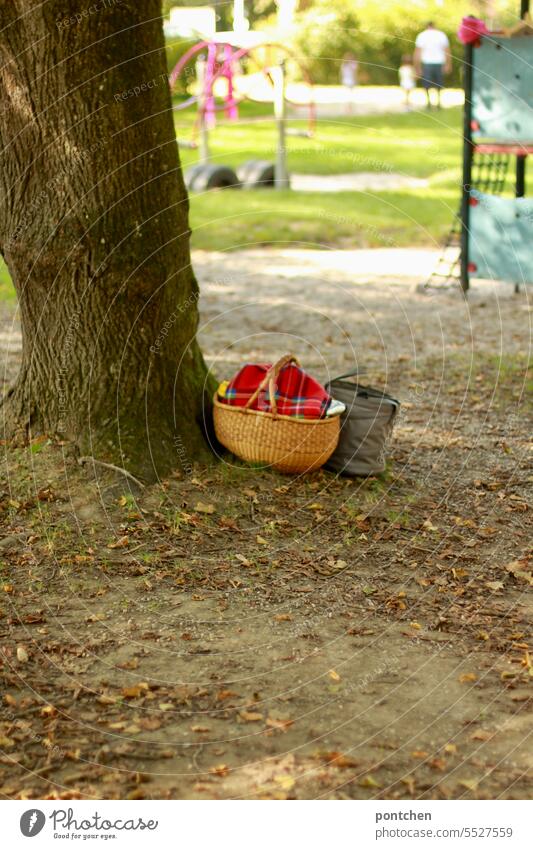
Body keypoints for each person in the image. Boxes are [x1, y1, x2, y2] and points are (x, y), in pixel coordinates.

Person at [414, 21, 452, 109]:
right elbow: (447, 51)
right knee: (439, 83)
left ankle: (429, 103)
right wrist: (448, 64)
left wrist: (417, 67)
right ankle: (438, 103)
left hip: (427, 63)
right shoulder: (441, 35)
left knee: (427, 83)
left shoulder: (422, 35)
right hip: (439, 62)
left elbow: (417, 52)